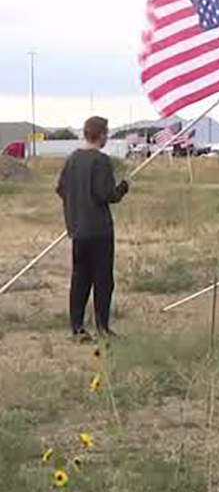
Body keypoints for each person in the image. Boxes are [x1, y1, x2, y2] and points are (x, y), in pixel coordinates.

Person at [56, 116, 129, 341]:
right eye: (107, 133)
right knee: (103, 280)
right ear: (101, 134)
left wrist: (76, 206)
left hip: (77, 229)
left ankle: (77, 328)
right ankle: (103, 328)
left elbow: (60, 189)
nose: (107, 137)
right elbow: (105, 194)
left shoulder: (72, 159)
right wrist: (122, 189)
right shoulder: (101, 160)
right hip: (99, 231)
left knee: (80, 279)